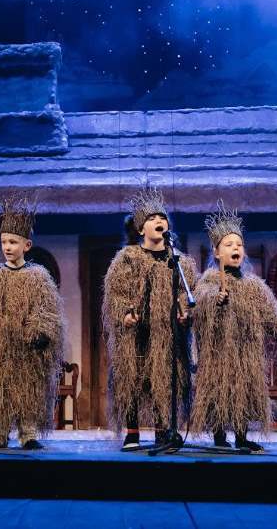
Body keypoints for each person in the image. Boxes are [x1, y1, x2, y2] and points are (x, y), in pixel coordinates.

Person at [191, 201, 277, 452]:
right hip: (218, 354)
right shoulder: (208, 281)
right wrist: (216, 299)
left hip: (246, 353)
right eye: (229, 244)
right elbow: (199, 305)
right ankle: (219, 437)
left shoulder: (254, 286)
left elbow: (271, 314)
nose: (236, 248)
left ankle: (242, 437)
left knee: (243, 392)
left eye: (239, 244)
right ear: (216, 252)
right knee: (219, 392)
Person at [0, 193, 64, 450]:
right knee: (0, 389)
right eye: (4, 242)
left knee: (28, 389)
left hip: (27, 348)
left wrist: (40, 331)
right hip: (0, 348)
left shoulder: (37, 277)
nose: (7, 247)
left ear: (26, 245)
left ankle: (28, 433)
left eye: (13, 242)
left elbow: (46, 309)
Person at [101, 184, 196, 451]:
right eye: (152, 218)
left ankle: (162, 430)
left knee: (162, 379)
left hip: (166, 334)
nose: (158, 221)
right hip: (135, 333)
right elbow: (116, 293)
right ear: (141, 229)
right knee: (132, 379)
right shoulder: (127, 258)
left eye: (162, 217)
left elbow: (187, 292)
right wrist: (125, 313)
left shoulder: (180, 261)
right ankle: (132, 433)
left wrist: (184, 312)